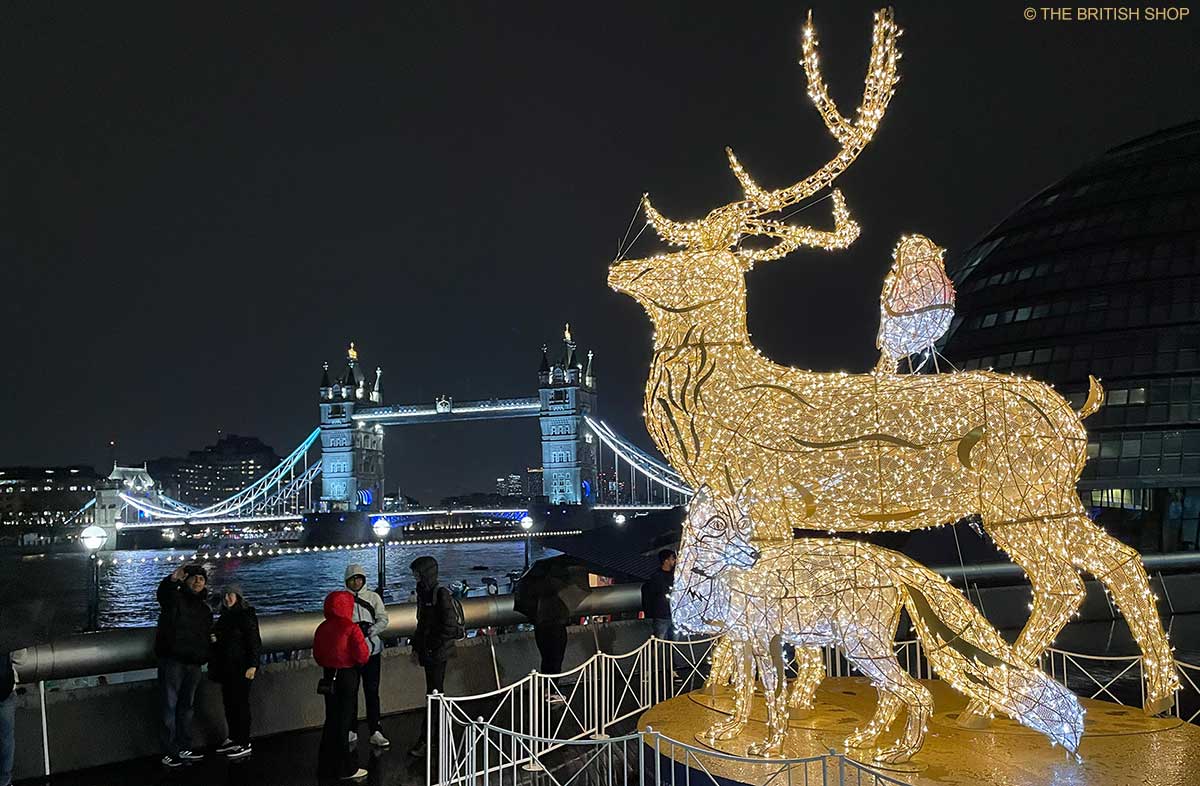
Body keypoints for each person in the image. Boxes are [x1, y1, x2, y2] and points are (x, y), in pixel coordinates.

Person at [155, 564, 213, 767]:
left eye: (202, 578)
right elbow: (163, 595)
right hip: (173, 660)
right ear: (186, 580)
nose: (198, 581)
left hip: (194, 663)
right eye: (194, 577)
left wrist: (204, 654)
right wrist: (172, 579)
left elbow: (206, 635)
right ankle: (169, 751)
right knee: (169, 707)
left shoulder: (205, 609)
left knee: (186, 707)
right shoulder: (175, 599)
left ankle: (184, 746)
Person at [314, 590, 370, 781]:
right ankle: (347, 768)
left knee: (331, 720)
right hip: (347, 676)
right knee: (344, 723)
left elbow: (317, 656)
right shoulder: (351, 627)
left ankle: (325, 764)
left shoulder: (322, 627)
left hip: (328, 676)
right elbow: (363, 655)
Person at [408, 556, 459, 758]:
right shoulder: (424, 592)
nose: (415, 576)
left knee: (434, 695)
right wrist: (417, 646)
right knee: (435, 694)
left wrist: (432, 644)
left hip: (438, 652)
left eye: (417, 573)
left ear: (425, 573)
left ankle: (427, 740)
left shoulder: (440, 593)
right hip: (429, 651)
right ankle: (437, 738)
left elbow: (449, 626)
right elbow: (422, 623)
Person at [209, 585, 261, 760]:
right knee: (230, 703)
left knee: (240, 705)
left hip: (241, 668)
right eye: (225, 595)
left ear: (238, 597)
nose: (227, 598)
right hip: (227, 668)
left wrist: (253, 665)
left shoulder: (245, 616)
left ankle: (244, 742)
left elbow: (254, 641)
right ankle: (234, 738)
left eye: (231, 595)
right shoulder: (225, 617)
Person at [343, 564, 390, 748]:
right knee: (350, 693)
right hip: (350, 654)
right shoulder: (343, 599)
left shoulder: (373, 597)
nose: (356, 582)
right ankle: (351, 730)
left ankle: (375, 730)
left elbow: (383, 619)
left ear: (364, 579)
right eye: (352, 579)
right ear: (347, 581)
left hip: (372, 652)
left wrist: (370, 630)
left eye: (359, 578)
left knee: (372, 692)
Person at [641, 549, 677, 641]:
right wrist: (650, 614)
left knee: (673, 642)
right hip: (662, 615)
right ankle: (655, 655)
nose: (674, 561)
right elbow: (648, 596)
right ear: (666, 561)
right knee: (658, 641)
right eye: (672, 559)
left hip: (672, 615)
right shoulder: (656, 578)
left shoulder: (674, 575)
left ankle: (669, 655)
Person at [0, 652, 15, 786]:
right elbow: (22, 658)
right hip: (4, 690)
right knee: (6, 741)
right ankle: (4, 782)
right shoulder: (8, 631)